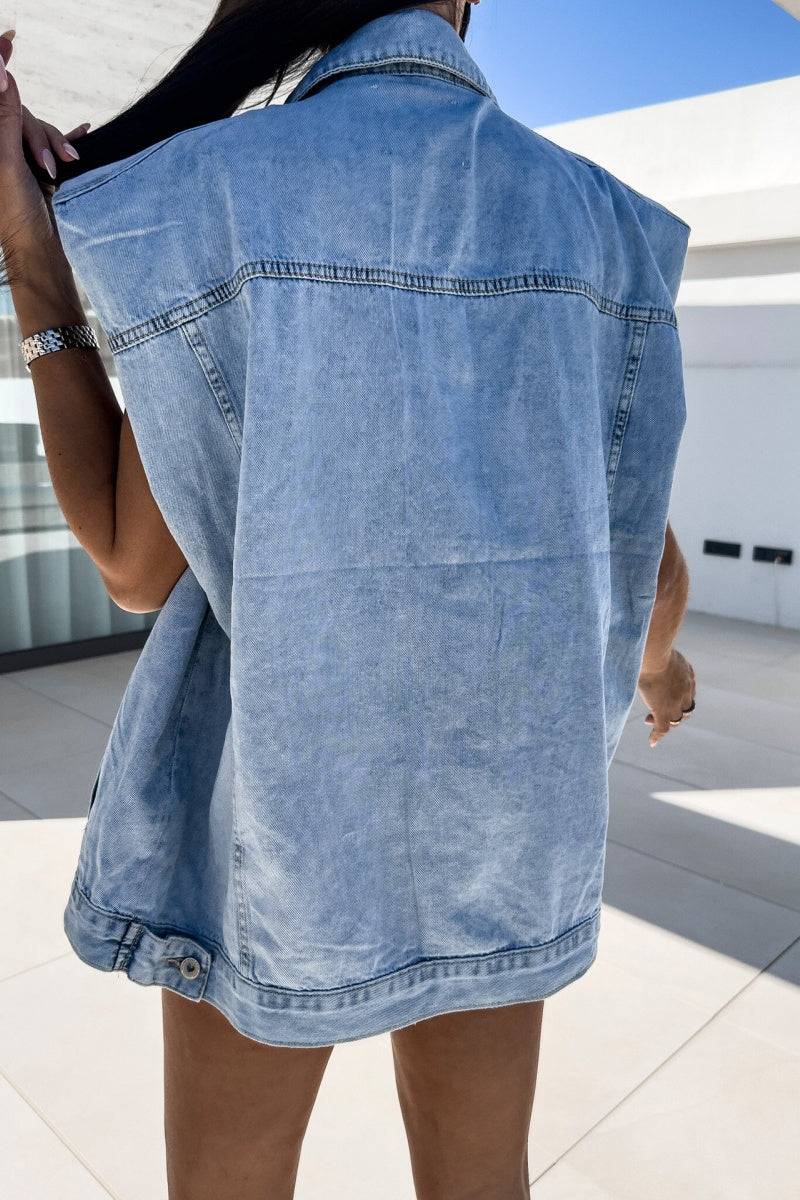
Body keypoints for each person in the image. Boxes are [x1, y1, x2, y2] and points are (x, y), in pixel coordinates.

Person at [0, 4, 696, 1197]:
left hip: (275, 809)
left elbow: (129, 564)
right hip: (503, 810)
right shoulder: (607, 222)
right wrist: (658, 667)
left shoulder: (214, 189)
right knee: (480, 1180)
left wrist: (33, 263)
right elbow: (635, 547)